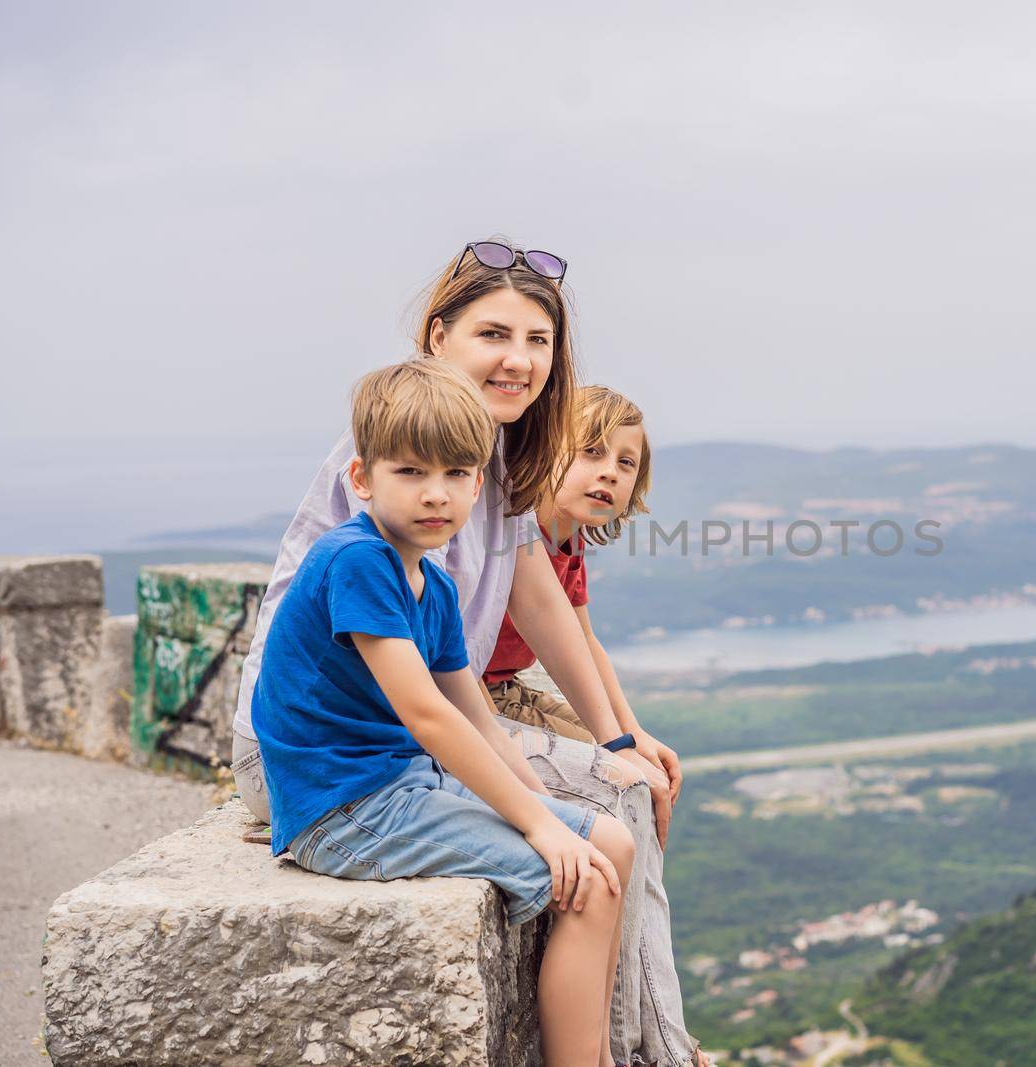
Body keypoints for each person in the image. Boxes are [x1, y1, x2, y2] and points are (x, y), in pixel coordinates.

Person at [231, 240, 708, 1066]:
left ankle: (638, 1044)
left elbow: (542, 611)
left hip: (415, 741)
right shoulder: (399, 467)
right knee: (610, 814)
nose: (518, 360)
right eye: (495, 334)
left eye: (538, 340)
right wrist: (552, 801)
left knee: (618, 796)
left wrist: (619, 738)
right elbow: (428, 706)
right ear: (439, 335)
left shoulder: (490, 465)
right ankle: (646, 1051)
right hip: (344, 760)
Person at [252, 359, 633, 1066]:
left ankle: (600, 1053)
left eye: (458, 473)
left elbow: (481, 720)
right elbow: (429, 717)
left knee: (610, 842)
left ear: (478, 484)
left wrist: (547, 808)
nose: (437, 494)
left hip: (395, 787)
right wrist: (540, 829)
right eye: (411, 472)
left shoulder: (432, 582)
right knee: (584, 877)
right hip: (342, 810)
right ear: (361, 479)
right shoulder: (359, 560)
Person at [486, 385, 659, 752]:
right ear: (544, 452)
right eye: (591, 452)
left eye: (626, 462)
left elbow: (584, 640)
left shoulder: (569, 539)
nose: (609, 472)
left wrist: (633, 732)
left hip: (506, 688)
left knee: (630, 748)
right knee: (604, 761)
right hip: (475, 695)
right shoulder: (511, 532)